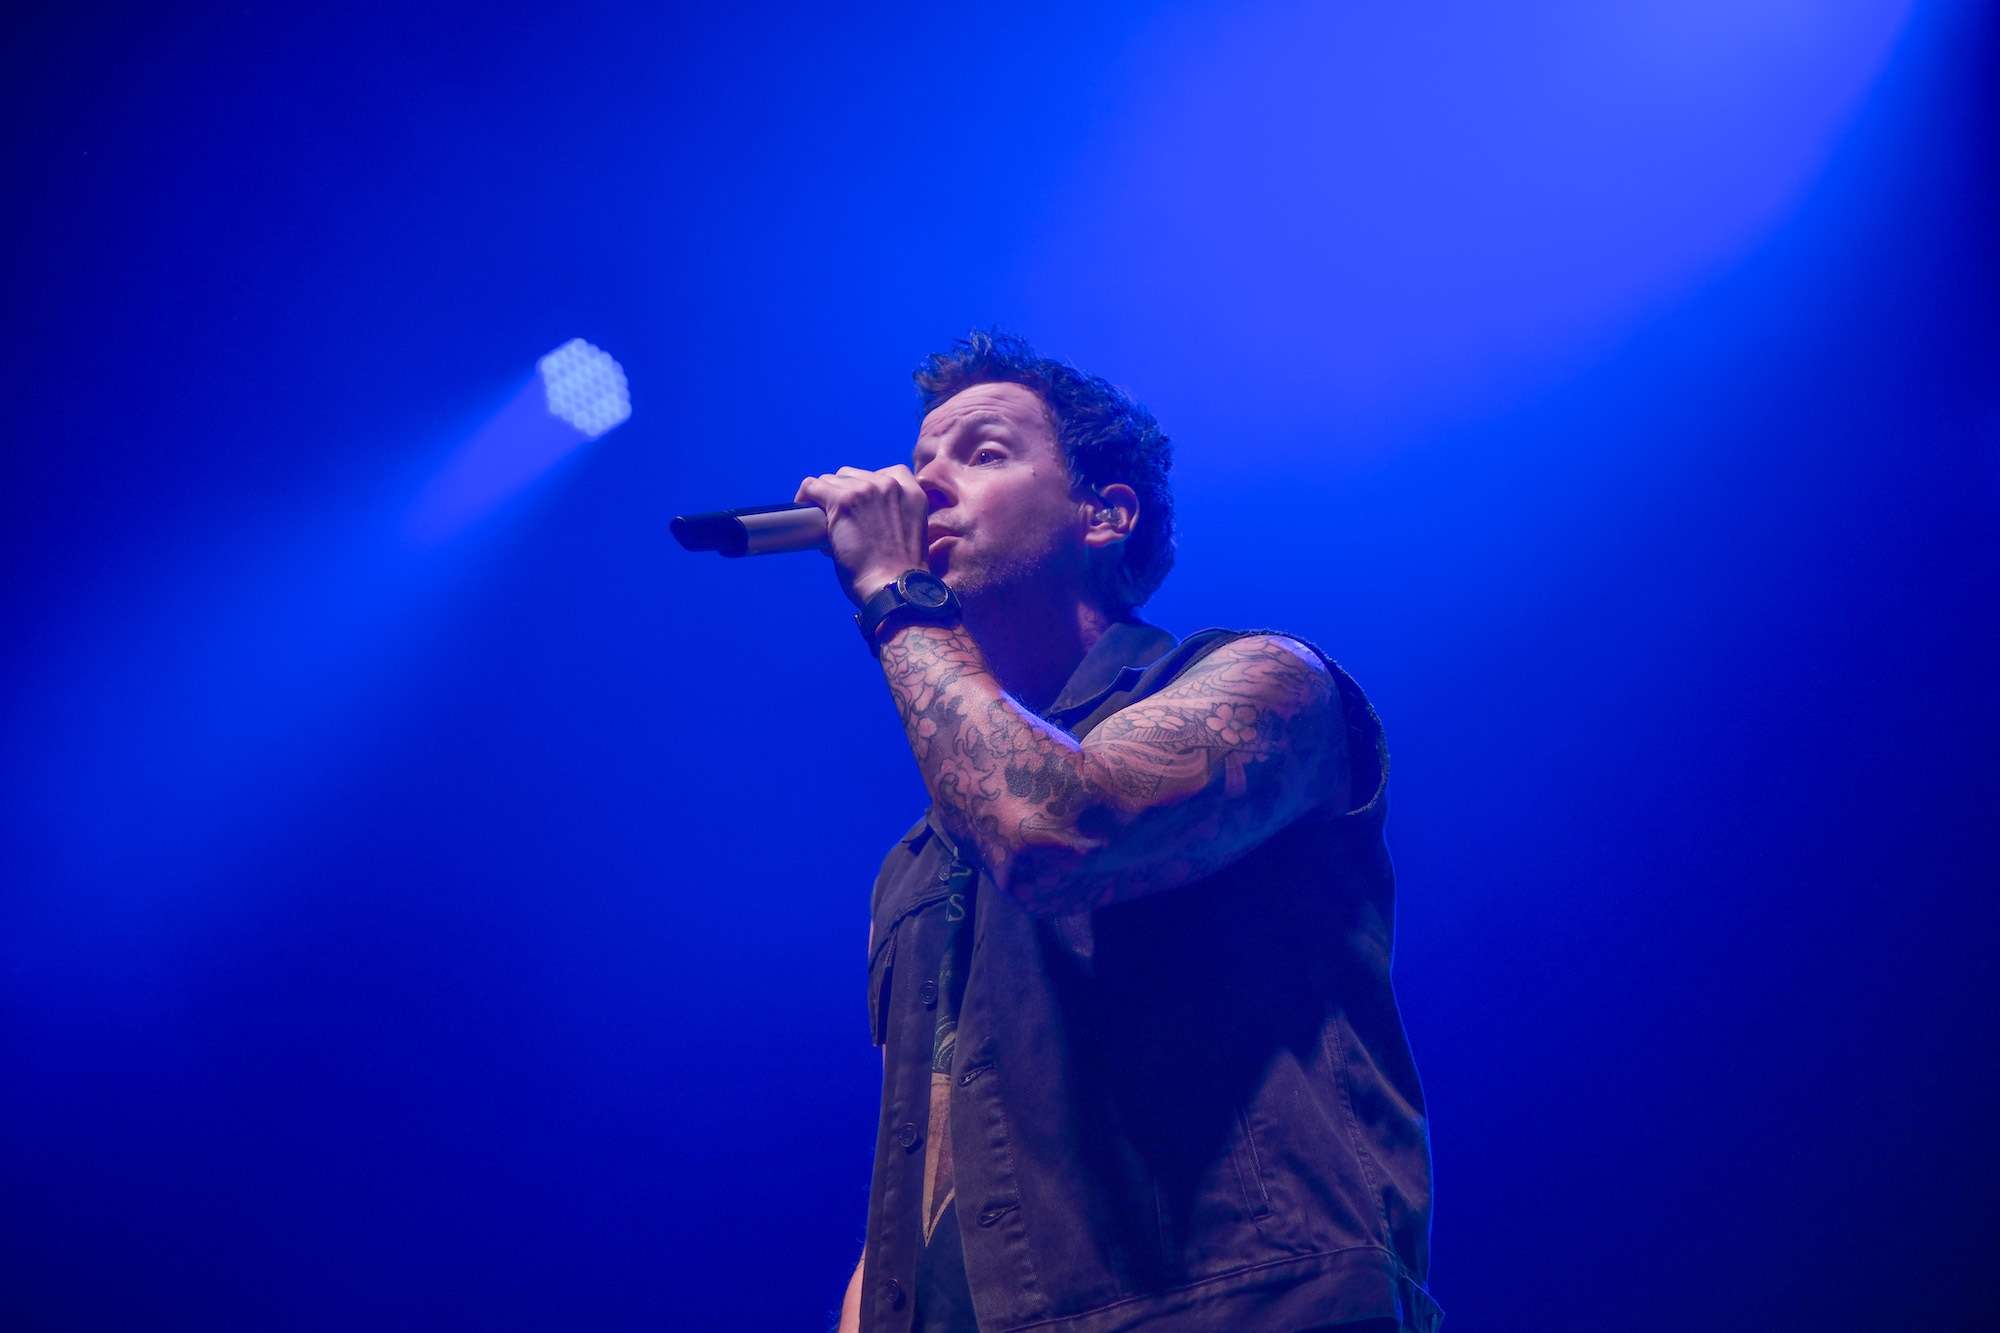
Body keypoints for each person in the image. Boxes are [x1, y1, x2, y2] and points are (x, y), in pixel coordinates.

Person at [801, 332, 1439, 1333]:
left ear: (1104, 515)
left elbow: (1054, 827)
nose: (923, 490)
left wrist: (896, 594)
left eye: (981, 452)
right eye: (920, 464)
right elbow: (923, 1167)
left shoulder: (1269, 683)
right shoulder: (917, 862)